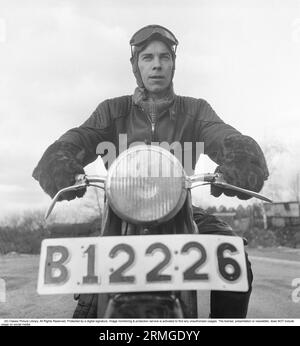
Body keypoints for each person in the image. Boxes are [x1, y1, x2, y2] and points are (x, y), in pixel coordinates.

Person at [32, 24, 269, 318]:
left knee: (234, 260)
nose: (156, 64)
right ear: (136, 66)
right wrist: (61, 162)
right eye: (147, 57)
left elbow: (224, 135)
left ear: (173, 64)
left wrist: (241, 159)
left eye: (164, 57)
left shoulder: (195, 111)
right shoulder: (111, 111)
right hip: (118, 218)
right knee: (90, 300)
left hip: (183, 214)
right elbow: (77, 137)